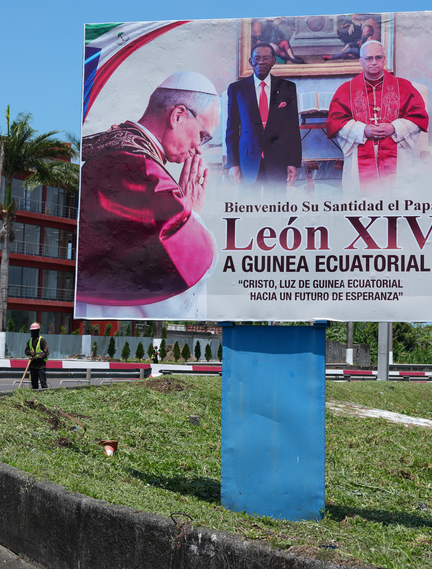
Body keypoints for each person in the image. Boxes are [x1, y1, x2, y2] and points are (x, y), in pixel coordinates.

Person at [75, 71, 220, 319]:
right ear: (178, 115)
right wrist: (192, 212)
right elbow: (190, 256)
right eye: (203, 135)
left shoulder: (109, 146)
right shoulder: (142, 171)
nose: (199, 147)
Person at [326, 40, 429, 195]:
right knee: (361, 206)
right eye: (369, 58)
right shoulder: (346, 89)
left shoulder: (404, 87)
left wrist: (393, 128)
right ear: (360, 61)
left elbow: (418, 116)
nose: (374, 62)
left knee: (395, 201)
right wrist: (363, 130)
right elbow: (336, 121)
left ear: (384, 59)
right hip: (359, 152)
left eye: (378, 57)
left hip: (396, 154)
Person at [225, 43, 303, 195]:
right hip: (247, 160)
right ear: (250, 61)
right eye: (257, 58)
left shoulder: (287, 88)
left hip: (278, 160)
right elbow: (232, 129)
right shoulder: (236, 89)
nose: (261, 62)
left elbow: (293, 129)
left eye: (266, 58)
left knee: (277, 209)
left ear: (273, 61)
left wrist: (293, 163)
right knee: (248, 210)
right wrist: (233, 164)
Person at [25, 322, 49, 389]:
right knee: (34, 383)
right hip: (33, 365)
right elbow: (26, 351)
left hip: (41, 365)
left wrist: (36, 358)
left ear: (38, 331)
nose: (33, 333)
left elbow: (45, 353)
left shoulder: (42, 341)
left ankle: (45, 395)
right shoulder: (29, 341)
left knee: (43, 382)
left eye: (34, 331)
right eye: (32, 331)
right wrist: (29, 352)